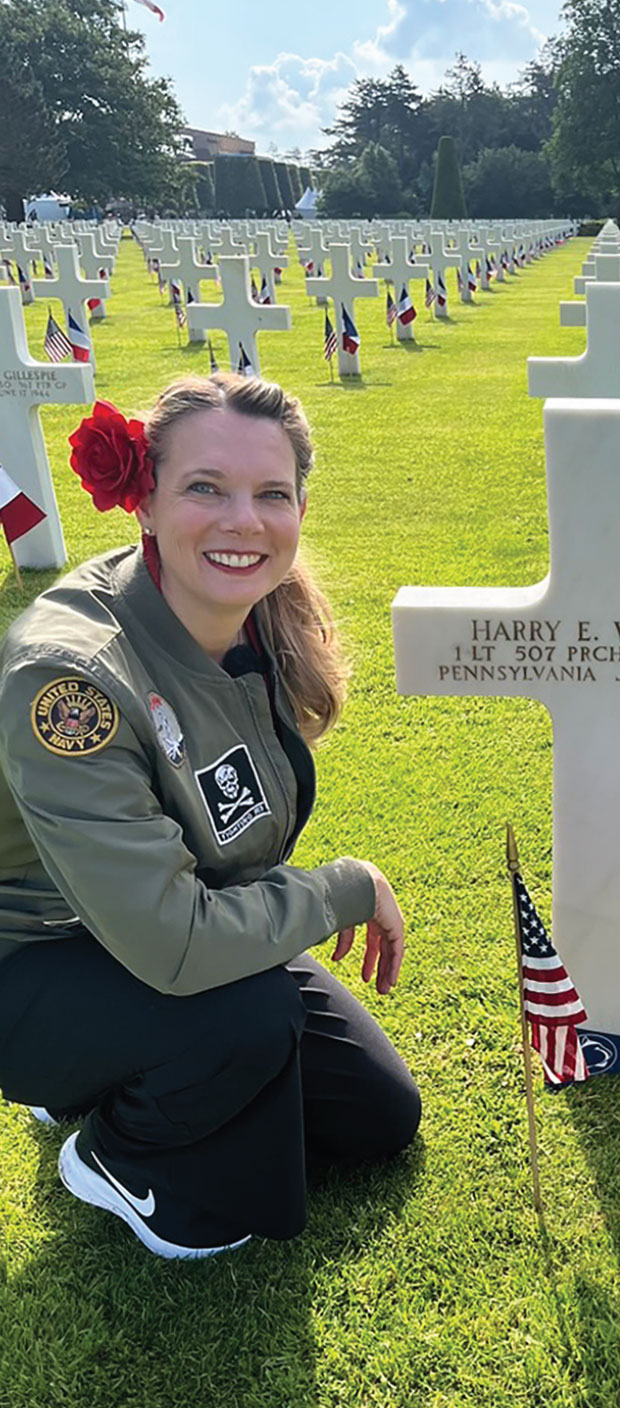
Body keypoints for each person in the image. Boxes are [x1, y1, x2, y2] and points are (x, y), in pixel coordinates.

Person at [0, 374, 419, 1260]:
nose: (244, 521)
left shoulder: (255, 618)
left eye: (272, 494)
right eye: (206, 488)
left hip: (142, 910)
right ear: (143, 500)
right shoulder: (68, 682)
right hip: (31, 954)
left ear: (301, 506)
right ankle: (110, 1149)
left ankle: (123, 1064)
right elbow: (177, 944)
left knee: (379, 1118)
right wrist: (346, 888)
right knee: (248, 1026)